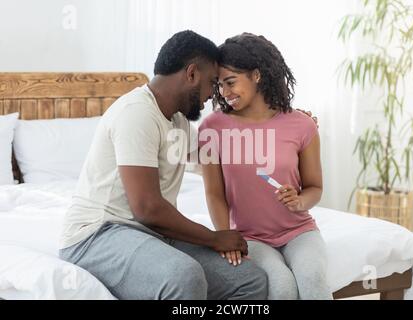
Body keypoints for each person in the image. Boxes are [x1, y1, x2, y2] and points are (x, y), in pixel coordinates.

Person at [58, 30, 267, 300]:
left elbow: (219, 151)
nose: (212, 94)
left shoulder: (177, 120)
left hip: (150, 233)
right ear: (191, 74)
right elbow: (147, 208)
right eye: (212, 82)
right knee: (183, 276)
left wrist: (286, 121)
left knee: (249, 280)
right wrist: (215, 238)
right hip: (96, 235)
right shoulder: (136, 113)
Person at [199, 33, 333, 300]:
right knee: (281, 286)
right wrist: (224, 236)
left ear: (257, 75)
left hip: (299, 232)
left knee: (312, 278)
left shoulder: (302, 125)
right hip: (250, 237)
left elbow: (315, 188)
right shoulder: (212, 128)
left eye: (231, 82)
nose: (225, 93)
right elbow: (214, 193)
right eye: (219, 85)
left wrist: (299, 201)